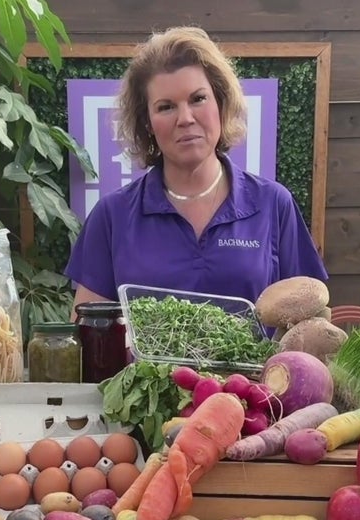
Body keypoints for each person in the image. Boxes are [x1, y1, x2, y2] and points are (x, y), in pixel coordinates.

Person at [63, 26, 328, 315]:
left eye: (198, 99)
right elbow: (87, 327)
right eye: (166, 107)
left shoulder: (273, 205)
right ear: (147, 122)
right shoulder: (112, 216)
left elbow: (312, 318)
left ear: (221, 103)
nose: (186, 118)